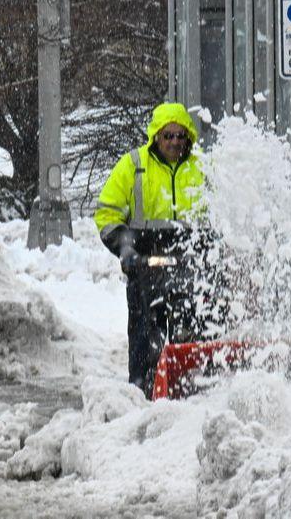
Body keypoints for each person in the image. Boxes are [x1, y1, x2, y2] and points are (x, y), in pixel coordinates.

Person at [94, 102, 207, 397]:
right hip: (145, 264)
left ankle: (193, 388)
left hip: (190, 263)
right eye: (168, 135)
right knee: (145, 333)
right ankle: (142, 391)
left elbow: (222, 214)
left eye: (180, 136)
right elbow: (107, 214)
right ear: (156, 136)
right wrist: (125, 247)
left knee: (194, 330)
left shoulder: (203, 168)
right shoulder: (134, 165)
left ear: (188, 138)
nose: (174, 142)